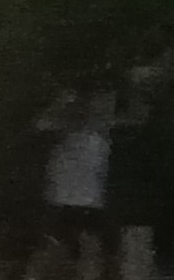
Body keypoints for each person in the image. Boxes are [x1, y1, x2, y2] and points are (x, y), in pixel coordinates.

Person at [25, 82, 117, 280]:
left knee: (89, 246)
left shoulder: (99, 126)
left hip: (88, 197)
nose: (107, 105)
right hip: (64, 197)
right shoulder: (68, 124)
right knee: (53, 246)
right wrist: (59, 102)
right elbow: (39, 123)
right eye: (103, 100)